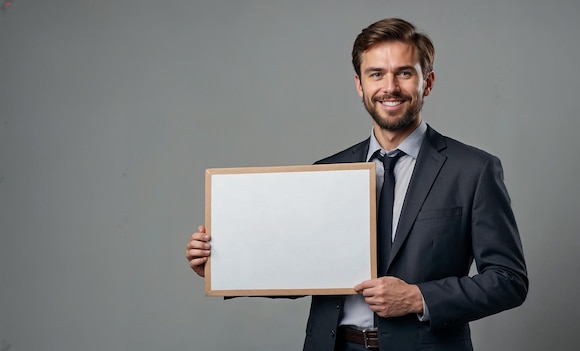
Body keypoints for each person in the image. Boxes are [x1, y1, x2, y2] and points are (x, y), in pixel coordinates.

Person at [185, 17, 528, 351]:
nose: (389, 87)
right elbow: (297, 266)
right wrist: (221, 265)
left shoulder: (473, 169)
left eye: (404, 73)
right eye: (376, 74)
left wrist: (418, 298)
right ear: (359, 85)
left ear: (428, 82)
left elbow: (509, 280)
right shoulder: (328, 171)